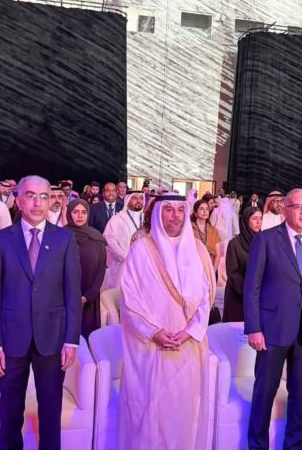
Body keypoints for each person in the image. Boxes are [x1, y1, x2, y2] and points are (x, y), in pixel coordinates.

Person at [0, 175, 81, 450]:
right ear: (19, 200)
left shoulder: (65, 239)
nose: (38, 203)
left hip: (52, 339)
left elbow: (72, 294)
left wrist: (71, 340)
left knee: (51, 410)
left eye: (44, 197)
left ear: (51, 201)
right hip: (10, 341)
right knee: (10, 411)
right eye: (31, 196)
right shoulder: (0, 240)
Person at [118, 194, 214, 449]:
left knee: (182, 417)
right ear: (158, 213)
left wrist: (190, 331)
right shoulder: (141, 250)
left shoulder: (198, 250)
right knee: (149, 415)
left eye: (180, 210)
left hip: (187, 348)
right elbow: (129, 300)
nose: (175, 216)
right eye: (169, 209)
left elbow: (206, 298)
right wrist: (153, 332)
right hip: (150, 349)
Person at [245, 188, 302, 450]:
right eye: (298, 207)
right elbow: (252, 288)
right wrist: (254, 328)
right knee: (265, 393)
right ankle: (257, 446)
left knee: (300, 395)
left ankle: (295, 446)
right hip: (272, 330)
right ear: (285, 209)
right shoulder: (266, 240)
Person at [65, 199, 107, 339]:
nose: (80, 216)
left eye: (83, 212)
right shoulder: (60, 236)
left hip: (89, 299)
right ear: (69, 213)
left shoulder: (97, 238)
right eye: (75, 212)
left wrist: (87, 296)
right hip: (64, 298)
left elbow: (101, 270)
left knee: (87, 337)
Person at [223, 206, 262, 322]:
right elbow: (233, 273)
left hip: (259, 297)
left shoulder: (264, 241)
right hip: (238, 296)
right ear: (246, 220)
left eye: (260, 218)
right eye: (254, 218)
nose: (258, 222)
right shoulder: (235, 244)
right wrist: (250, 292)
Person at [102, 190, 144, 289]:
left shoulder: (146, 219)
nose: (138, 201)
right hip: (121, 264)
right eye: (135, 198)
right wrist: (124, 256)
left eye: (141, 198)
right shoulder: (117, 219)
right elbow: (109, 240)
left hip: (143, 265)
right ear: (127, 200)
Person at [191, 199, 223, 275]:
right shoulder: (189, 229)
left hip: (210, 269)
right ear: (195, 212)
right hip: (193, 270)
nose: (205, 211)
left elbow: (218, 254)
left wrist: (212, 272)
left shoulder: (213, 230)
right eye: (201, 209)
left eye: (207, 209)